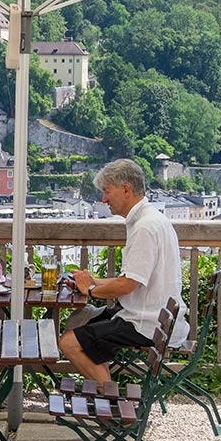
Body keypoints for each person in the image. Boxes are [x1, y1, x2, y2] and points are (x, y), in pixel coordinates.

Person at [59, 159, 188, 384]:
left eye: (107, 191)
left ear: (126, 189)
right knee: (83, 323)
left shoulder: (144, 228)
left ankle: (113, 408)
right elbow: (132, 279)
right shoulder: (152, 219)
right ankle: (102, 394)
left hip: (145, 322)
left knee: (69, 342)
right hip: (156, 316)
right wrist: (93, 281)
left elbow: (127, 285)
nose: (103, 199)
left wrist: (89, 290)